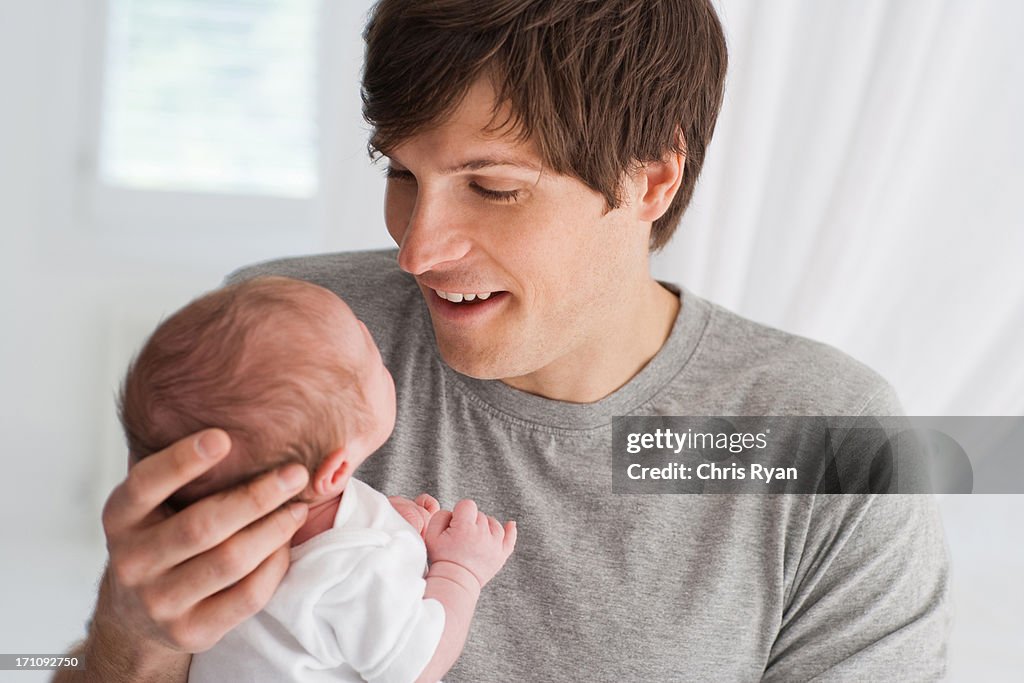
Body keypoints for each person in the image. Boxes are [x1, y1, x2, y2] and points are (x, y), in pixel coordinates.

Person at [59, 1, 950, 681]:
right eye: (403, 173)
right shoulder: (289, 340)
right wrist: (129, 639)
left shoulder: (828, 440)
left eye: (492, 187)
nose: (418, 248)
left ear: (652, 177)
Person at [116, 274, 516, 683]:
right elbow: (418, 665)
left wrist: (394, 526)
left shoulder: (223, 550)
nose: (372, 337)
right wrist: (459, 571)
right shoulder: (358, 565)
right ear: (336, 471)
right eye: (372, 363)